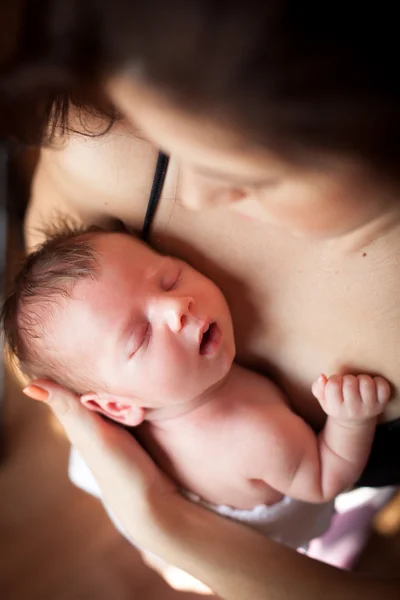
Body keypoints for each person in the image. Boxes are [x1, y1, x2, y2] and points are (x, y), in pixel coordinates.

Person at [1, 1, 399, 597]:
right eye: (174, 144)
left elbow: (323, 481)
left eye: (250, 173)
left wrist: (174, 531)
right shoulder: (112, 141)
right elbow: (53, 331)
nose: (195, 194)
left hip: (296, 507)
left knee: (340, 524)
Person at [4, 223, 391, 550]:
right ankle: (340, 540)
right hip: (272, 529)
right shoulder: (255, 433)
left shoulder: (162, 392)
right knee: (327, 533)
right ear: (119, 408)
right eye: (140, 337)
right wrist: (350, 421)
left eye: (170, 278)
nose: (176, 307)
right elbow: (325, 480)